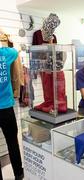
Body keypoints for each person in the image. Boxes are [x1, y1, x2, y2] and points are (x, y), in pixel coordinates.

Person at [0, 33, 24, 179]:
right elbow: (16, 50)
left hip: (6, 106)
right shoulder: (6, 53)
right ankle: (19, 174)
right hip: (6, 108)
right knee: (13, 143)